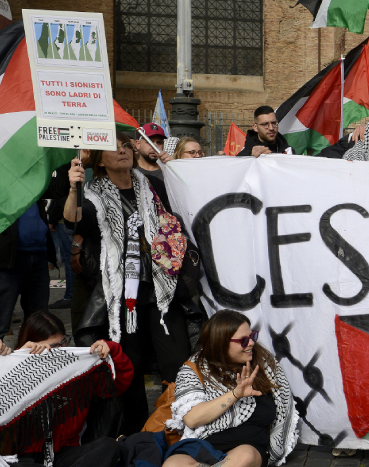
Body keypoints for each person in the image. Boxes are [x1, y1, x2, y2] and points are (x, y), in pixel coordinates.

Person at [64, 134, 194, 434]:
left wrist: (177, 169)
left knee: (177, 361)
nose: (122, 151)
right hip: (123, 296)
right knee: (130, 367)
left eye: (125, 146)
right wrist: (73, 187)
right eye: (114, 148)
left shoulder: (152, 185)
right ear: (100, 160)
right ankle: (134, 435)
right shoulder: (93, 194)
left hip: (161, 289)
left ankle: (181, 426)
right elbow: (73, 220)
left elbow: (183, 207)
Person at [165, 310, 297, 467]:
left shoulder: (264, 364)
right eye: (243, 340)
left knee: (245, 456)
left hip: (247, 449)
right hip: (203, 446)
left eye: (252, 336)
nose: (251, 343)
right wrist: (235, 394)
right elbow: (192, 419)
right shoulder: (194, 369)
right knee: (172, 464)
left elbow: (282, 408)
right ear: (221, 343)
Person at [13, 311, 132, 467]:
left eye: (63, 342)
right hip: (24, 456)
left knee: (109, 447)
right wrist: (18, 361)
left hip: (65, 453)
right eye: (52, 347)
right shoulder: (12, 370)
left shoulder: (78, 371)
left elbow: (117, 384)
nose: (61, 350)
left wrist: (111, 350)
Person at [0, 194, 53, 342]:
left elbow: (58, 189)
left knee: (39, 323)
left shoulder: (34, 182)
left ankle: (33, 356)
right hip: (4, 258)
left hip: (38, 254)